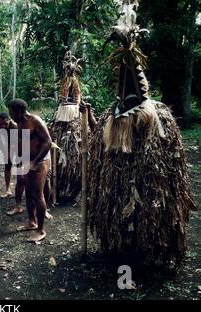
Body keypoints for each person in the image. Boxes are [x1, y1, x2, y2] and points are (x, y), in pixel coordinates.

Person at [87, 1, 196, 267]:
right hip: (120, 179)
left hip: (148, 179)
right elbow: (100, 155)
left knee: (146, 214)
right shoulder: (111, 120)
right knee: (122, 212)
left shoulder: (158, 119)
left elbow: (170, 161)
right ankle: (122, 250)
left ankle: (145, 250)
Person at [8, 99, 52, 242]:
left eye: (12, 113)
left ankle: (40, 230)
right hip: (27, 161)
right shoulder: (19, 123)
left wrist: (35, 161)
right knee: (28, 191)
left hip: (40, 162)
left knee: (38, 195)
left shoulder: (35, 121)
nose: (11, 116)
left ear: (20, 111)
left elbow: (47, 142)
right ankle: (31, 222)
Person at [48, 50, 84, 202]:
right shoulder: (65, 82)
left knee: (75, 157)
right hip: (63, 115)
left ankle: (75, 192)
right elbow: (64, 98)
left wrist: (75, 108)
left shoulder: (74, 82)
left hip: (72, 114)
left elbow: (77, 98)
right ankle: (54, 191)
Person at [0, 112, 18, 198]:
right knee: (8, 165)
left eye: (6, 124)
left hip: (18, 145)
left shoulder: (15, 127)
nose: (3, 126)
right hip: (6, 145)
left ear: (10, 120)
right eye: (1, 124)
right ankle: (8, 189)